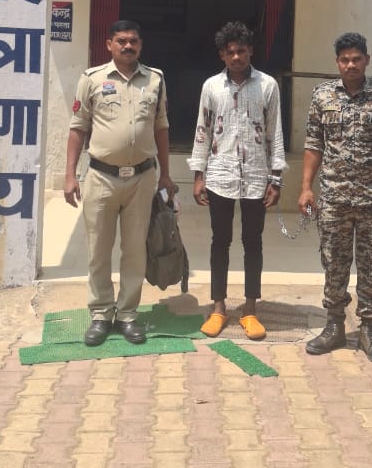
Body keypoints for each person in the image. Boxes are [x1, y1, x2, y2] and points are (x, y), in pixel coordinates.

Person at [64, 19, 178, 347]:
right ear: (109, 45)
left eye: (133, 41)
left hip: (142, 178)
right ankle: (101, 314)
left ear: (140, 45)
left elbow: (161, 127)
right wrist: (70, 175)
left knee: (135, 250)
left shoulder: (155, 80)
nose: (128, 46)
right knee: (99, 250)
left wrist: (166, 174)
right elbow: (78, 127)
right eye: (121, 41)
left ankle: (128, 314)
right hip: (101, 177)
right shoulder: (92, 79)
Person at [298, 32, 372, 365]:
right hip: (335, 198)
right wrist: (306, 187)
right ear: (337, 62)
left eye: (356, 59)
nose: (350, 65)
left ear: (367, 60)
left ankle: (369, 330)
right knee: (334, 263)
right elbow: (313, 144)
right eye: (344, 59)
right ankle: (334, 326)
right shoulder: (322, 95)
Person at [188, 21, 286, 340]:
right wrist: (199, 175)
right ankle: (218, 308)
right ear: (222, 55)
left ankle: (250, 309)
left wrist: (276, 178)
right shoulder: (211, 87)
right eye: (230, 52)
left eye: (241, 51)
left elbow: (274, 132)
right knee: (220, 241)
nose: (236, 57)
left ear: (250, 51)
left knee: (253, 243)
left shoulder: (267, 86)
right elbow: (202, 130)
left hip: (256, 176)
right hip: (220, 175)